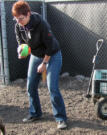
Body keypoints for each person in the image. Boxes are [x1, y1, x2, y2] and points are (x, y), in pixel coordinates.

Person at [12, 0, 67, 129]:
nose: (19, 22)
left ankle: (60, 118)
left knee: (52, 87)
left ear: (28, 14)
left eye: (21, 19)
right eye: (16, 19)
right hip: (36, 55)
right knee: (30, 86)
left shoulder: (41, 24)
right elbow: (21, 42)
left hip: (52, 55)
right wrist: (21, 51)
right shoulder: (18, 26)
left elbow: (50, 46)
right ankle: (35, 113)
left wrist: (44, 64)